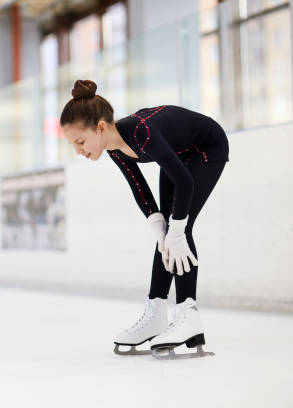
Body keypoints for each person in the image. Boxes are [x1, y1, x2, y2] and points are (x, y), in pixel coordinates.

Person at [60, 80, 228, 360]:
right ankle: (157, 312)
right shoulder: (114, 148)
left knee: (180, 230)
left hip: (207, 148)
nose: (78, 150)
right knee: (166, 233)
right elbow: (139, 188)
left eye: (80, 141)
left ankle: (188, 315)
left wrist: (176, 228)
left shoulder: (141, 133)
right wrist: (159, 225)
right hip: (179, 156)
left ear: (100, 128)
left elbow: (185, 183)